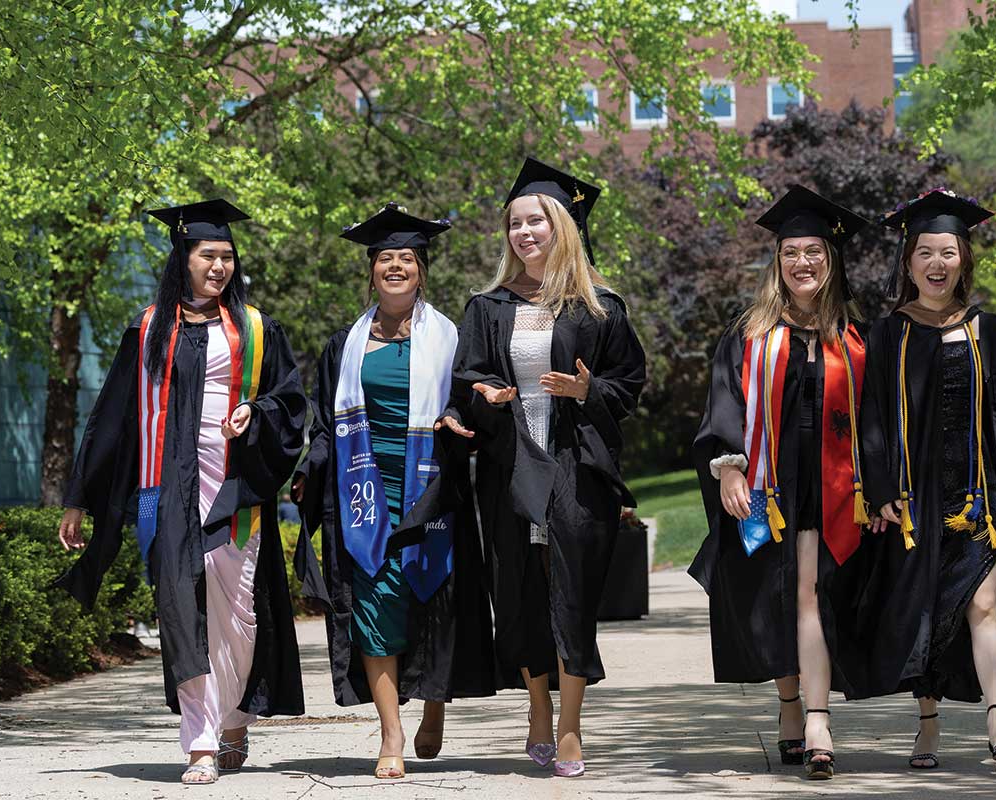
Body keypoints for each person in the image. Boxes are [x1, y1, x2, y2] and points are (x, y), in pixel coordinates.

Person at [55, 199, 307, 785]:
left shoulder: (255, 328)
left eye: (226, 257)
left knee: (237, 614)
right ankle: (198, 741)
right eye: (207, 255)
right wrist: (78, 498)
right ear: (184, 258)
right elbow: (112, 415)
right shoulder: (148, 328)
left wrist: (254, 410)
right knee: (179, 609)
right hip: (164, 490)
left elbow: (291, 402)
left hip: (233, 489)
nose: (219, 266)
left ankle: (236, 714)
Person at [440, 157, 646, 778]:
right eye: (515, 223)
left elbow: (629, 383)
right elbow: (468, 376)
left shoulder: (598, 307)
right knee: (520, 592)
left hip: (575, 466)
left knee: (573, 594)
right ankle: (536, 709)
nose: (524, 233)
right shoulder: (487, 306)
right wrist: (486, 398)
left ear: (563, 227)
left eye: (537, 221)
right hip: (509, 465)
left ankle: (571, 726)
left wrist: (587, 393)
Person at [292, 203, 495, 780]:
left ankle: (433, 707)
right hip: (363, 491)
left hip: (431, 485)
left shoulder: (449, 338)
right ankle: (391, 732)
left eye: (407, 258)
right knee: (374, 605)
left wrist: (463, 416)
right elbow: (327, 424)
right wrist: (312, 466)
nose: (396, 266)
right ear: (372, 271)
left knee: (435, 599)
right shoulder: (345, 346)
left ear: (422, 271)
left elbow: (467, 397)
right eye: (386, 258)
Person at [689, 186, 871, 780]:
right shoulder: (750, 334)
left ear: (831, 258)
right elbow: (725, 404)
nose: (802, 263)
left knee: (809, 594)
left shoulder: (857, 334)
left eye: (813, 251)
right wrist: (730, 465)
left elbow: (880, 417)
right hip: (769, 483)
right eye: (791, 252)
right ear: (778, 261)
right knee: (780, 593)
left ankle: (813, 719)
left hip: (833, 484)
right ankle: (792, 707)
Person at [855, 189, 996, 771]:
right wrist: (880, 490)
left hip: (981, 496)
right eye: (925, 252)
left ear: (965, 260)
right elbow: (873, 416)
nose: (937, 264)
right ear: (908, 263)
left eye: (948, 252)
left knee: (984, 601)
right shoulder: (887, 335)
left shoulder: (992, 330)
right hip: (914, 499)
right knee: (927, 609)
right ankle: (928, 724)